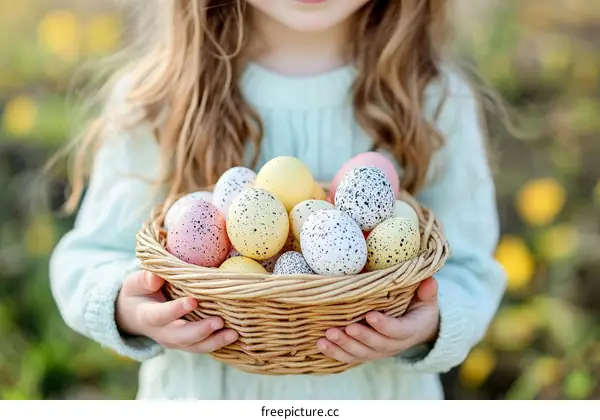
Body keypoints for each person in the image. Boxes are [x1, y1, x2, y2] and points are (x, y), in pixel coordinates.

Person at [49, 0, 507, 400]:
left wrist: (432, 320)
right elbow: (89, 256)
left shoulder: (435, 100)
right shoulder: (157, 99)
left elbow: (470, 265)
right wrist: (129, 308)